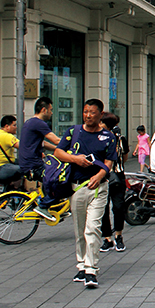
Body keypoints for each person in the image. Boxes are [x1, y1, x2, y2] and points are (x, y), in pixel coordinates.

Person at [56, 99, 116, 288]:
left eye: (92, 112)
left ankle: (91, 270)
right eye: (85, 112)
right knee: (80, 229)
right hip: (76, 187)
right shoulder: (73, 132)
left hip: (98, 188)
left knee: (93, 227)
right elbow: (58, 152)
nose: (88, 115)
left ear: (101, 114)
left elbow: (109, 162)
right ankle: (81, 265)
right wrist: (75, 159)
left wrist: (99, 176)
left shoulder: (108, 137)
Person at [100, 113, 129, 253]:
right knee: (103, 208)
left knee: (118, 207)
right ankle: (107, 238)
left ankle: (118, 236)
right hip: (101, 177)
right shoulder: (97, 138)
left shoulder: (120, 139)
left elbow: (125, 157)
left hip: (117, 176)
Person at [19, 97, 61, 181]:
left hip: (26, 165)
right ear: (44, 110)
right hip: (34, 167)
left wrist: (57, 149)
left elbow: (43, 143)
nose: (51, 113)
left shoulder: (29, 122)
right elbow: (56, 140)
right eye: (50, 110)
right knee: (59, 179)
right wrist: (72, 144)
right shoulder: (39, 123)